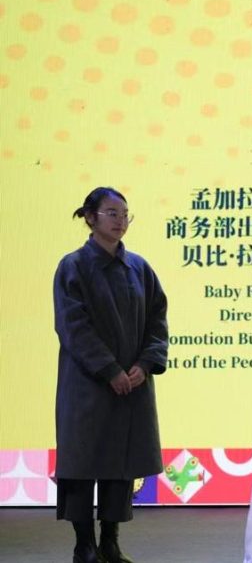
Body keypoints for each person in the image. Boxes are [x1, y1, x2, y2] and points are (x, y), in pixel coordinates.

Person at [54, 187, 169, 563]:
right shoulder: (73, 266)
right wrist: (109, 370)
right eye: (112, 213)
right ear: (90, 218)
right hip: (87, 385)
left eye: (124, 214)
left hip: (131, 385)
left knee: (121, 466)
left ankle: (110, 542)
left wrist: (145, 364)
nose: (120, 221)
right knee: (82, 464)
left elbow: (157, 320)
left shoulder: (139, 268)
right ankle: (83, 544)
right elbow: (73, 326)